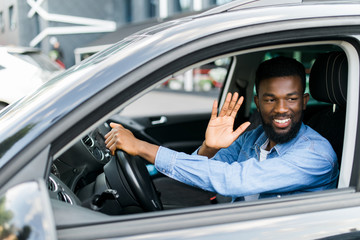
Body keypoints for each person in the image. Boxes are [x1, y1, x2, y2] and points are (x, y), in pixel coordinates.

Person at [105, 56, 339, 201]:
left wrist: (141, 147)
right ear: (257, 103)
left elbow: (231, 180)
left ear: (304, 101)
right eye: (270, 99)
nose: (281, 109)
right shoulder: (253, 138)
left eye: (291, 99)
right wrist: (209, 148)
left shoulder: (316, 155)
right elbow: (202, 175)